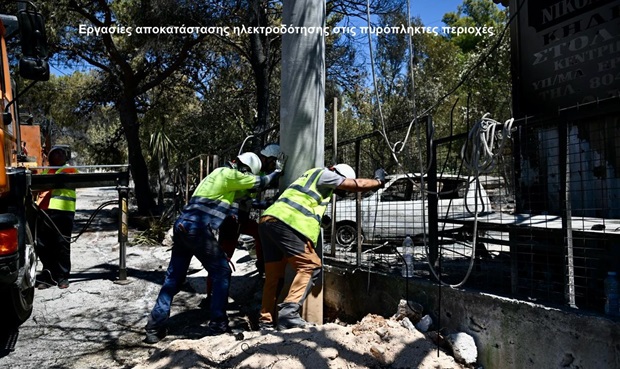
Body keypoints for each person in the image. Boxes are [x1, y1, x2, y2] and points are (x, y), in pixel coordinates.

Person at [145, 152, 284, 344]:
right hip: (197, 228)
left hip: (182, 226)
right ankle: (218, 325)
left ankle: (154, 327)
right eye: (247, 173)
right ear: (244, 168)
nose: (246, 176)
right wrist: (277, 172)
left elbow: (242, 199)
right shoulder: (228, 175)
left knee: (173, 279)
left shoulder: (216, 177)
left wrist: (266, 203)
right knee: (222, 271)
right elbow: (258, 183)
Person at [258, 164, 387, 330]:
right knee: (311, 266)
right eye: (340, 187)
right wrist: (378, 181)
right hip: (286, 223)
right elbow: (358, 185)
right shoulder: (324, 174)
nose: (339, 191)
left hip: (269, 221)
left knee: (273, 278)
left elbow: (305, 203)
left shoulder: (308, 179)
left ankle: (265, 321)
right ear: (335, 172)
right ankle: (288, 314)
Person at [35, 147, 79, 289]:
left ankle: (62, 277)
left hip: (62, 211)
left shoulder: (69, 169)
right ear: (49, 157)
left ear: (65, 157)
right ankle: (48, 275)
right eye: (54, 153)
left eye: (60, 153)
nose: (57, 155)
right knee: (43, 245)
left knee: (62, 244)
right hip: (45, 212)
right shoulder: (47, 170)